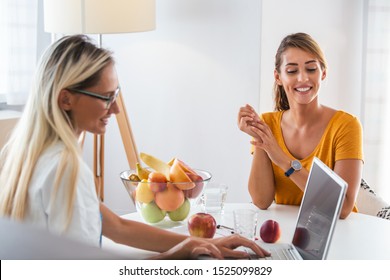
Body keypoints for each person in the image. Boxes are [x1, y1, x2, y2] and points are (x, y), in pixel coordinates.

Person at [0, 35, 269, 259]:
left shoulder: (25, 156)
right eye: (106, 98)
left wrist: (193, 243)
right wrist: (174, 256)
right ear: (66, 99)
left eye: (116, 95)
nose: (116, 109)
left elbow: (116, 226)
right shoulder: (65, 171)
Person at [238, 33, 363, 219]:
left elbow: (342, 208)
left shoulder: (346, 126)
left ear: (323, 73)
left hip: (338, 233)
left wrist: (281, 159)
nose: (303, 78)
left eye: (311, 69)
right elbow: (261, 200)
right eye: (292, 71)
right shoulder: (268, 124)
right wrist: (259, 137)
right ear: (278, 77)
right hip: (286, 232)